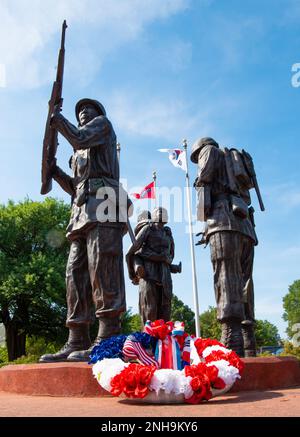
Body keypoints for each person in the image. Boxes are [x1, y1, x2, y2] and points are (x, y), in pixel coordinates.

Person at [40, 98, 130, 362]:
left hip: (104, 203)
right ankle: (77, 336)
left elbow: (79, 137)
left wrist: (57, 120)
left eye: (87, 109)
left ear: (98, 113)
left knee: (104, 267)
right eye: (79, 111)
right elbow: (75, 185)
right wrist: (54, 171)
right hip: (81, 211)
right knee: (75, 273)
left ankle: (108, 335)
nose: (82, 113)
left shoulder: (101, 126)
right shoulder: (77, 153)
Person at [191, 137, 258, 357]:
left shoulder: (208, 151)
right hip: (245, 225)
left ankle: (232, 336)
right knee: (244, 280)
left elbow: (204, 181)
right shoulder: (232, 159)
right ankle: (248, 340)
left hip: (223, 221)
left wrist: (204, 220)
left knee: (226, 276)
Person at [126, 207, 181, 325]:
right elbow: (131, 252)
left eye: (164, 212)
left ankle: (165, 341)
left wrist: (170, 265)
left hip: (165, 279)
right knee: (149, 312)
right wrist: (133, 275)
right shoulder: (148, 229)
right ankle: (149, 341)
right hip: (148, 276)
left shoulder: (167, 233)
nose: (162, 212)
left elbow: (170, 256)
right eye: (159, 211)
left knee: (165, 313)